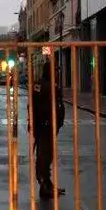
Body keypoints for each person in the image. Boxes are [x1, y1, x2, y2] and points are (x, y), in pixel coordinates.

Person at [30, 58, 66, 198]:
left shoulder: (51, 85)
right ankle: (44, 185)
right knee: (43, 156)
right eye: (55, 71)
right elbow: (35, 106)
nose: (57, 73)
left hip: (50, 126)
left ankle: (48, 183)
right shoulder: (41, 86)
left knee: (48, 155)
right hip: (44, 126)